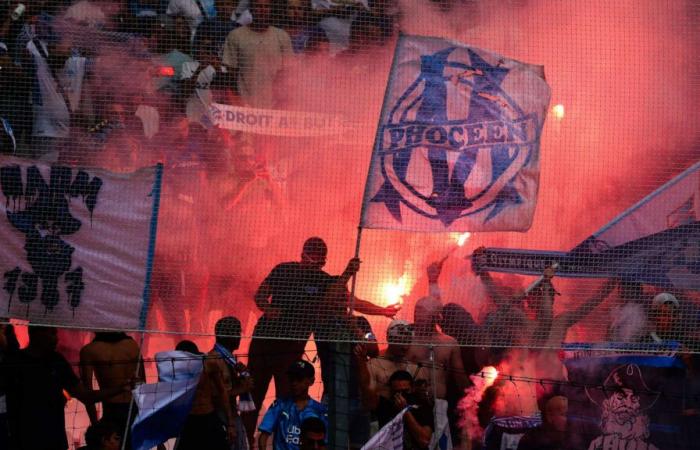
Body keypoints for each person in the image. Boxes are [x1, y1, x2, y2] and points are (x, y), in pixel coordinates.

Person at [243, 237, 357, 445]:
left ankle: (282, 443)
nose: (314, 265)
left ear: (324, 261)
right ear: (302, 255)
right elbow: (260, 295)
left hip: (292, 348)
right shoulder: (283, 270)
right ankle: (244, 441)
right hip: (264, 342)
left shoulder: (323, 281)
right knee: (252, 394)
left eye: (319, 262)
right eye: (310, 259)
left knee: (287, 399)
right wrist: (269, 309)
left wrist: (348, 272)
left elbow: (334, 297)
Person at [5, 325, 132, 450]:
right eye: (52, 333)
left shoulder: (56, 361)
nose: (57, 338)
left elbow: (85, 396)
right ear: (36, 333)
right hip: (23, 442)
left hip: (54, 441)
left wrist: (121, 388)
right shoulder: (13, 363)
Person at [222, 0, 292, 107]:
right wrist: (237, 101)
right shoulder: (236, 35)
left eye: (266, 6)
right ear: (251, 10)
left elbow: (287, 73)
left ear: (271, 9)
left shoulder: (282, 36)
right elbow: (231, 74)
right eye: (258, 6)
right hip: (244, 105)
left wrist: (281, 102)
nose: (262, 10)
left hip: (274, 106)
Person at [79, 331, 144, 446]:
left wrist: (95, 425)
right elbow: (143, 385)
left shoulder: (89, 350)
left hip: (112, 411)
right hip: (135, 409)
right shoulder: (132, 345)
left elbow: (88, 395)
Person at [174, 339, 237, 450]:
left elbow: (222, 391)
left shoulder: (208, 364)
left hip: (208, 418)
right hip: (189, 420)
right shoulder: (176, 371)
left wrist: (230, 423)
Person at [258, 360, 328, 450]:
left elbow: (324, 443)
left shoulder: (320, 410)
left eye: (299, 379)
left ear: (311, 381)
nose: (294, 383)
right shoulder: (279, 405)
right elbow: (263, 437)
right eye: (291, 378)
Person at [207, 316, 254, 450]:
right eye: (238, 333)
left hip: (230, 416)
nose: (240, 337)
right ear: (229, 335)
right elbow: (214, 395)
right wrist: (242, 389)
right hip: (220, 419)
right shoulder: (214, 360)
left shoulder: (228, 358)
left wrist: (242, 377)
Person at [358, 369, 433, 450]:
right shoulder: (385, 405)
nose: (401, 396)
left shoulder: (422, 406)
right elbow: (366, 393)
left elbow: (424, 441)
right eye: (397, 392)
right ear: (391, 391)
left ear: (412, 389)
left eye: (405, 391)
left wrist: (404, 411)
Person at [364, 319, 419, 399]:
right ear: (389, 339)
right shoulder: (374, 365)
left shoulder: (413, 367)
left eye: (408, 341)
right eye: (401, 342)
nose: (405, 347)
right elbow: (368, 398)